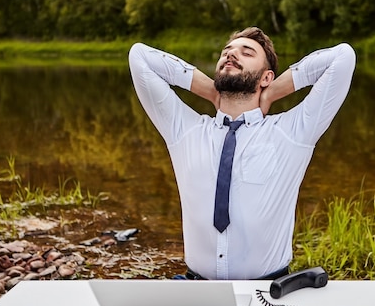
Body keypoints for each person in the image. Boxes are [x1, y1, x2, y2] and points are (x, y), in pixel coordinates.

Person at [129, 27, 356, 280]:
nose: (232, 55)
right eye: (226, 52)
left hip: (269, 291)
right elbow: (139, 56)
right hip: (197, 289)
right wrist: (210, 91)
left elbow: (342, 58)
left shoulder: (292, 133)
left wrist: (272, 92)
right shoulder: (184, 130)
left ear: (266, 77)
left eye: (246, 53)